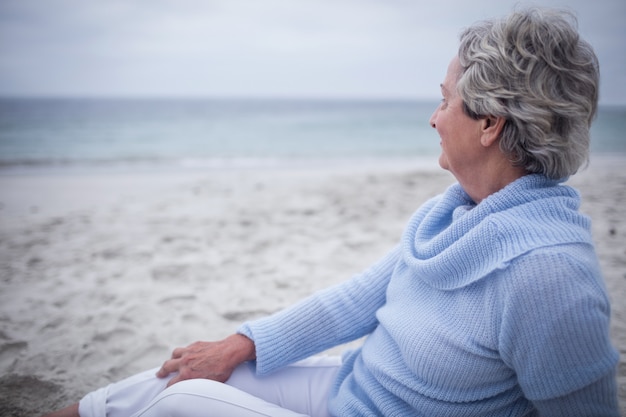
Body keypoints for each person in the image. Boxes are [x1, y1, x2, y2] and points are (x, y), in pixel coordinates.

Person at [45, 7, 619, 417]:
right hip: (352, 390)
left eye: (445, 101)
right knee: (190, 372)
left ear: (491, 124)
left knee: (180, 405)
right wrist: (238, 344)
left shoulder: (548, 275)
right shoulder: (456, 216)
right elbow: (355, 300)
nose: (433, 118)